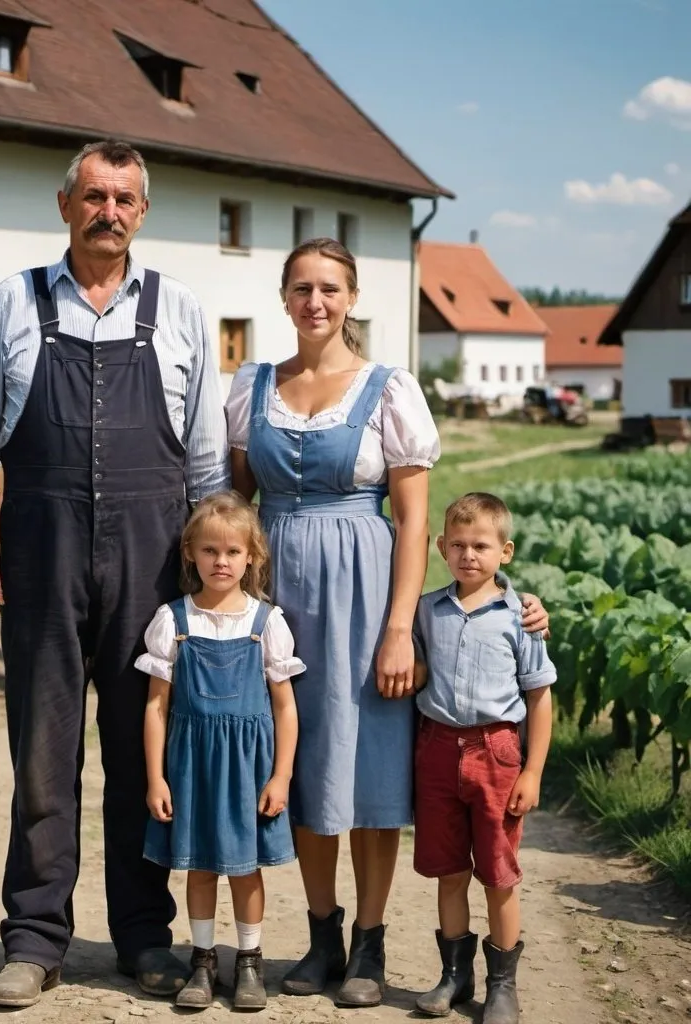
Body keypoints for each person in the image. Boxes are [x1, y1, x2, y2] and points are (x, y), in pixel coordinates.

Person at [0, 139, 230, 1009]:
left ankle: (144, 937)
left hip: (153, 558)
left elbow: (209, 463)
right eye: (95, 195)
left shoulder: (178, 310)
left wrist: (215, 580)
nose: (109, 211)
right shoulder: (14, 301)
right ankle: (33, 939)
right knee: (42, 750)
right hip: (39, 544)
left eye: (125, 199)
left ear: (142, 214)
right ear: (65, 205)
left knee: (146, 751)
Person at [227, 237, 551, 1008]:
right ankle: (322, 935)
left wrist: (400, 625)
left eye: (330, 288)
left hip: (367, 593)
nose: (316, 302)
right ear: (284, 298)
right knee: (300, 764)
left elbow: (413, 522)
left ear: (351, 298)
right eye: (302, 287)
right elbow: (236, 505)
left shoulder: (388, 388)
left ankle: (370, 944)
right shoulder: (252, 385)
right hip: (281, 591)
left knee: (365, 766)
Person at [139, 492, 303, 1011]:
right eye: (210, 551)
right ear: (190, 553)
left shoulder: (266, 624)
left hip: (249, 770)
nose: (221, 562)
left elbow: (285, 710)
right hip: (191, 768)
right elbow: (156, 708)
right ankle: (203, 960)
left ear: (252, 556)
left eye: (233, 552)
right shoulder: (174, 621)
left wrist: (280, 777)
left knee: (245, 867)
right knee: (198, 867)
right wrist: (156, 778)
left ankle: (249, 961)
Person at [411, 493, 555, 1024]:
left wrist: (533, 770)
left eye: (481, 545)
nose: (468, 554)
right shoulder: (426, 611)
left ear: (506, 552)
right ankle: (454, 974)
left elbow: (539, 696)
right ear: (440, 548)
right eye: (458, 545)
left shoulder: (522, 617)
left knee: (497, 875)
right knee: (449, 870)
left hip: (496, 754)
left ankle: (502, 986)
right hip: (437, 749)